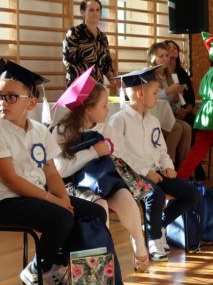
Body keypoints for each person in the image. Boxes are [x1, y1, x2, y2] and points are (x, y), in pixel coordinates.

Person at [0, 59, 109, 285]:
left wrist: (63, 199)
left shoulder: (38, 130)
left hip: (35, 197)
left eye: (11, 97)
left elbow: (52, 173)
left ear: (31, 102)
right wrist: (54, 201)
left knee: (95, 213)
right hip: (5, 201)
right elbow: (12, 181)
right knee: (61, 217)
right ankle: (37, 270)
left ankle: (60, 267)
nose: (2, 102)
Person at [52, 67, 152, 272]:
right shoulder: (61, 131)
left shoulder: (105, 127)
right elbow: (60, 170)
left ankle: (139, 243)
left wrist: (116, 156)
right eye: (104, 105)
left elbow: (122, 154)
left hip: (104, 180)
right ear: (88, 109)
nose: (108, 110)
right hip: (75, 185)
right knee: (100, 206)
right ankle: (101, 262)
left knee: (126, 198)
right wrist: (92, 152)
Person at [109, 66, 201, 261]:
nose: (158, 97)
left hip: (156, 172)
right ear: (140, 94)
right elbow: (118, 155)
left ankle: (157, 226)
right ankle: (154, 238)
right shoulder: (119, 120)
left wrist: (168, 166)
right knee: (155, 195)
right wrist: (145, 171)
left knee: (191, 193)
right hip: (132, 175)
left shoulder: (153, 121)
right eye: (154, 93)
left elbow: (161, 149)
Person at [176, 32, 213, 180]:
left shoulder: (210, 73)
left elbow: (204, 92)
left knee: (196, 153)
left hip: (204, 117)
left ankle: (180, 179)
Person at [147, 42, 192, 167]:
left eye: (167, 55)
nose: (165, 59)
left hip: (167, 116)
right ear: (153, 58)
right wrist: (169, 91)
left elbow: (170, 103)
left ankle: (183, 169)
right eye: (161, 56)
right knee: (176, 127)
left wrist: (176, 101)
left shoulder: (169, 76)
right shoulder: (149, 76)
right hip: (154, 116)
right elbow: (152, 98)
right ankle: (168, 166)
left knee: (187, 128)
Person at [63, 0, 115, 86]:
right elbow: (69, 60)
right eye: (91, 10)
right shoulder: (74, 33)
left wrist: (112, 78)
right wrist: (88, 79)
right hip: (78, 85)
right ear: (82, 12)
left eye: (98, 10)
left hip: (98, 86)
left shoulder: (103, 38)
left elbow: (107, 63)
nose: (95, 13)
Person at [165, 40, 197, 126]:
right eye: (168, 47)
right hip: (168, 112)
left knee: (195, 122)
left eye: (174, 48)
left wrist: (186, 111)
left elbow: (191, 98)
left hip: (184, 111)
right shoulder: (162, 73)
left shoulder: (183, 73)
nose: (172, 49)